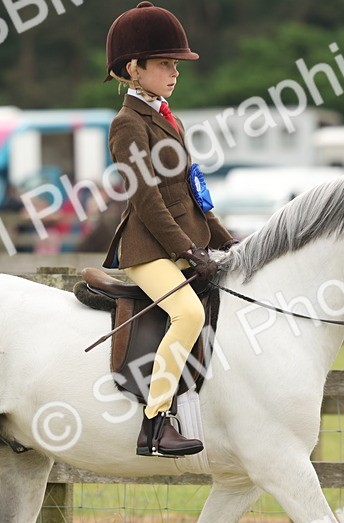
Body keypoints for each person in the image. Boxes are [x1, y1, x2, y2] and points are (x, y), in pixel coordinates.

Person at [102, 2, 237, 458]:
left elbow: (190, 193)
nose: (174, 71)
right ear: (133, 68)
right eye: (164, 63)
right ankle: (156, 424)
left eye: (175, 64)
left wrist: (227, 240)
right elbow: (148, 201)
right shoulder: (127, 124)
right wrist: (189, 250)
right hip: (147, 250)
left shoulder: (166, 116)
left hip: (181, 242)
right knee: (190, 315)